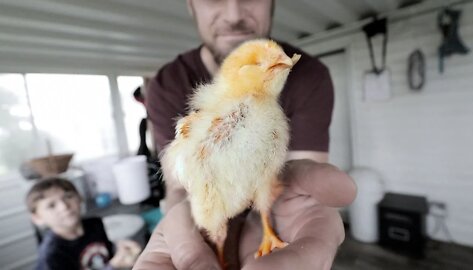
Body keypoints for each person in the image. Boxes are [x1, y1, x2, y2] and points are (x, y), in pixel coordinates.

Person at [135, 0, 357, 269]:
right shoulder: (167, 85)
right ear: (190, 5)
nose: (234, 14)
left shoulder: (308, 76)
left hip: (274, 217)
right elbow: (181, 185)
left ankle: (263, 233)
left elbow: (294, 183)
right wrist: (188, 228)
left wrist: (280, 217)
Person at [27, 177, 141, 270]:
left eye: (68, 197)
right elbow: (111, 264)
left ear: (80, 198)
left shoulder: (95, 224)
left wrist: (120, 249)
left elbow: (105, 252)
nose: (64, 207)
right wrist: (113, 266)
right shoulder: (51, 256)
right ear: (37, 218)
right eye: (51, 205)